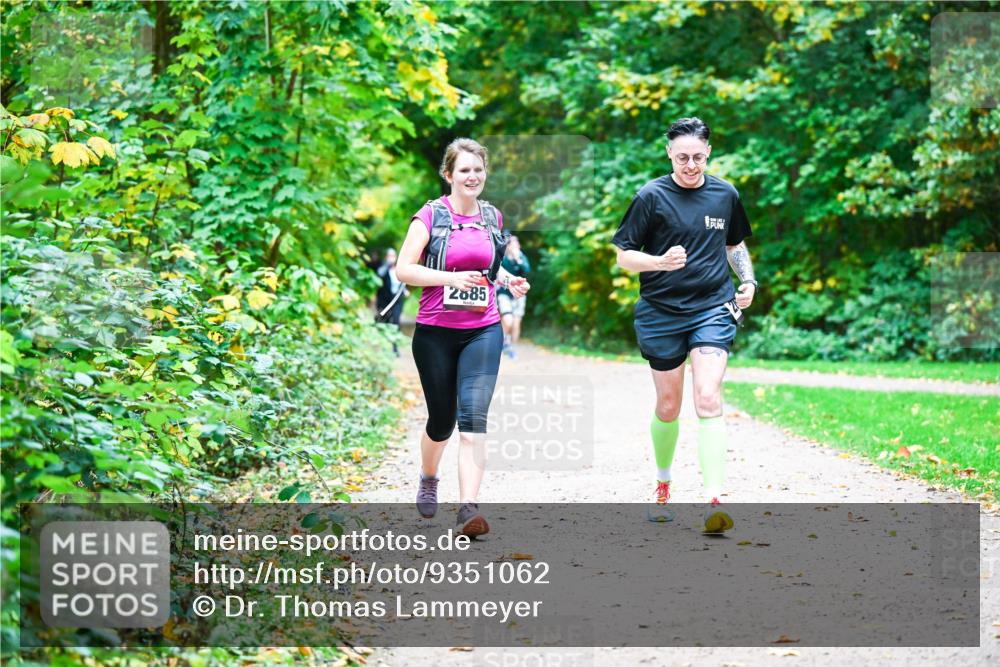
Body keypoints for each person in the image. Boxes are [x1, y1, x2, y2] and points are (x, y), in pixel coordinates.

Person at [611, 117, 756, 533]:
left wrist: (747, 280)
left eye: (697, 156)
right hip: (660, 310)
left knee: (707, 396)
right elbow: (623, 254)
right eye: (682, 158)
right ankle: (663, 482)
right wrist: (658, 262)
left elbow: (734, 243)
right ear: (669, 155)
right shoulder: (651, 196)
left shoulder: (725, 194)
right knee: (669, 406)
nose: (690, 165)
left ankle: (714, 500)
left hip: (713, 306)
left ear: (708, 152)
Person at [395, 138, 530, 537]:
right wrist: (450, 278)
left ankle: (468, 509)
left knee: (473, 421)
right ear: (449, 174)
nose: (472, 176)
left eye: (478, 169)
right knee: (442, 421)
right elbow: (405, 269)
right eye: (464, 170)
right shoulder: (430, 217)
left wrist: (508, 280)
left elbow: (489, 268)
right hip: (435, 332)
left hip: (483, 330)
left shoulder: (492, 217)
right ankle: (429, 476)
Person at [496, 235, 530, 358]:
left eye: (517, 244)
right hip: (504, 293)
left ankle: (512, 348)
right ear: (508, 246)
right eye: (513, 245)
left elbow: (526, 270)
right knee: (508, 320)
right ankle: (502, 343)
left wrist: (518, 259)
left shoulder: (521, 257)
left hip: (519, 296)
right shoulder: (503, 258)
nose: (516, 247)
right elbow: (496, 272)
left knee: (516, 322)